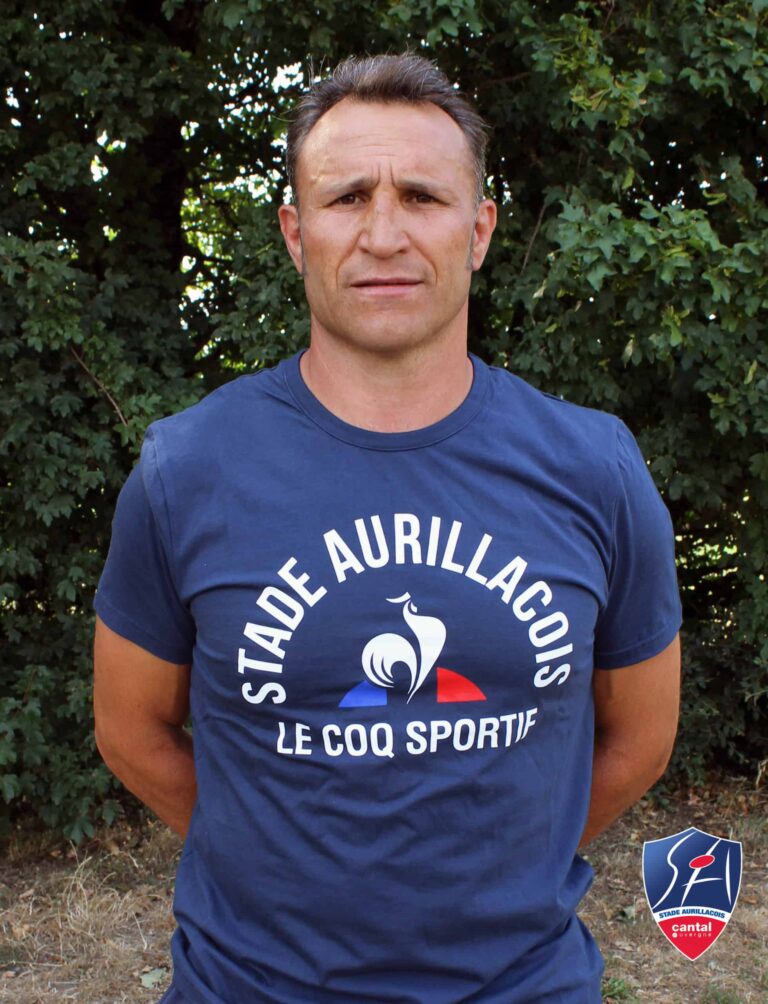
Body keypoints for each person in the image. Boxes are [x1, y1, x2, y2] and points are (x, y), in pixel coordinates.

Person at [93, 53, 682, 1004]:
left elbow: (641, 737)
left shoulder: (593, 466)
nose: (382, 234)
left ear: (478, 230)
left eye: (421, 196)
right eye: (346, 198)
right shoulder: (187, 469)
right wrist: (266, 853)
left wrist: (512, 864)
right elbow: (130, 730)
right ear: (296, 233)